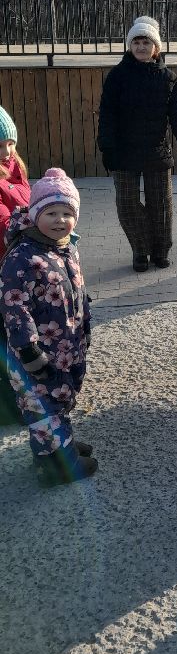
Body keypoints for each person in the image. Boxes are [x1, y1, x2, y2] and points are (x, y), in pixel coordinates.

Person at [0, 169, 96, 486]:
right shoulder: (23, 256)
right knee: (44, 406)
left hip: (65, 346)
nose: (59, 220)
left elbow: (75, 291)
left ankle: (61, 446)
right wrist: (29, 352)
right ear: (35, 214)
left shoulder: (64, 247)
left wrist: (85, 326)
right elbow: (14, 307)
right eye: (51, 213)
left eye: (67, 213)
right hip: (38, 352)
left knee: (59, 400)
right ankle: (56, 468)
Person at [97, 15, 177, 272]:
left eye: (146, 42)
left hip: (156, 152)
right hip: (123, 153)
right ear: (130, 46)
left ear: (156, 48)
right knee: (127, 206)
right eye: (136, 42)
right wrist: (107, 148)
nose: (141, 47)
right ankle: (141, 249)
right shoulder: (117, 77)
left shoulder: (168, 78)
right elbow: (107, 115)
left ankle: (161, 250)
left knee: (161, 206)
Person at [0, 106, 30, 426]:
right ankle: (10, 405)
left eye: (10, 143)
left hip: (17, 262)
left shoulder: (14, 166)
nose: (7, 151)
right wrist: (28, 224)